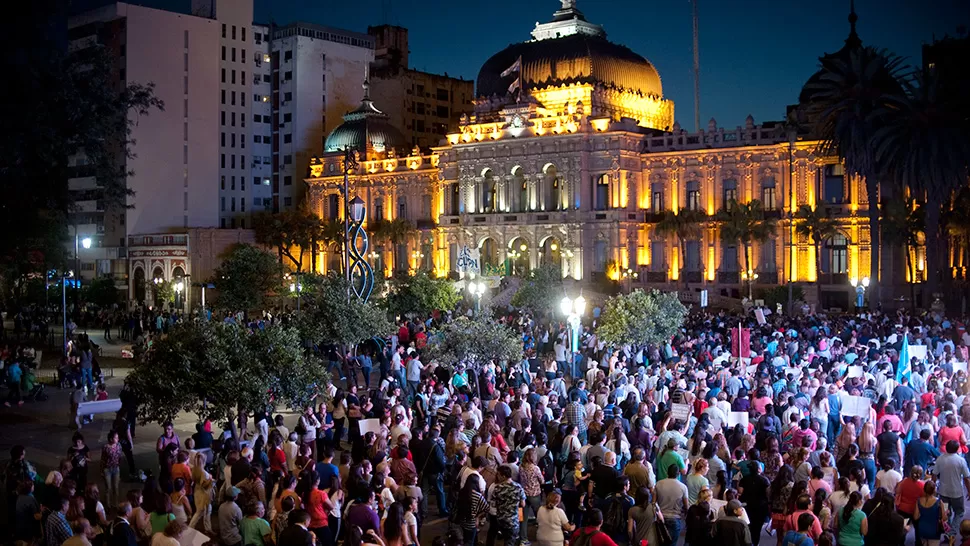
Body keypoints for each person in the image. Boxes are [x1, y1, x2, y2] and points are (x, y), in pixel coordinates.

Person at [932, 440, 970, 538]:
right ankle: (952, 532)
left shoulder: (940, 459)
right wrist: (969, 491)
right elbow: (966, 478)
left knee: (946, 512)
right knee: (960, 512)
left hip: (943, 492)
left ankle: (947, 530)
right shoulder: (961, 460)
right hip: (957, 492)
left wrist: (933, 488)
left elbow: (934, 474)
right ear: (957, 449)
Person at [656, 463, 689, 541]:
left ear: (667, 473)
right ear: (678, 474)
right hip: (675, 518)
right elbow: (686, 506)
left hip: (661, 517)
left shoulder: (658, 484)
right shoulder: (683, 487)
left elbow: (654, 503)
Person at [914, 481, 947, 546]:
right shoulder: (939, 502)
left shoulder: (918, 501)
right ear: (934, 490)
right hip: (934, 531)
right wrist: (946, 513)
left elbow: (915, 517)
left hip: (922, 529)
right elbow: (944, 518)